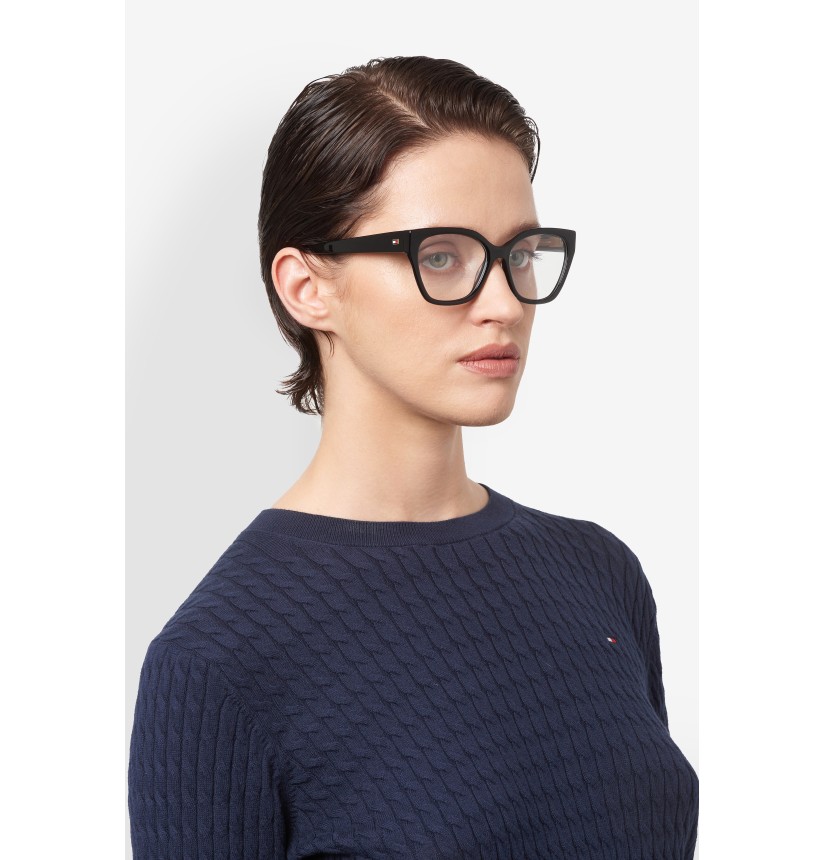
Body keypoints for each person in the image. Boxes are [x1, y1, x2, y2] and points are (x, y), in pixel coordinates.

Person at [128, 56, 699, 858]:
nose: (503, 303)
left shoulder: (597, 572)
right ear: (306, 287)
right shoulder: (221, 660)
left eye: (519, 254)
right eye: (440, 257)